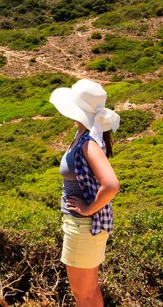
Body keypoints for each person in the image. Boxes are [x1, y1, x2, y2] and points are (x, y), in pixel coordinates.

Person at [49, 79, 121, 307]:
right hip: (87, 227)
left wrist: (88, 209)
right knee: (90, 290)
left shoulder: (88, 143)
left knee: (82, 294)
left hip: (83, 226)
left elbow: (111, 185)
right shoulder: (85, 136)